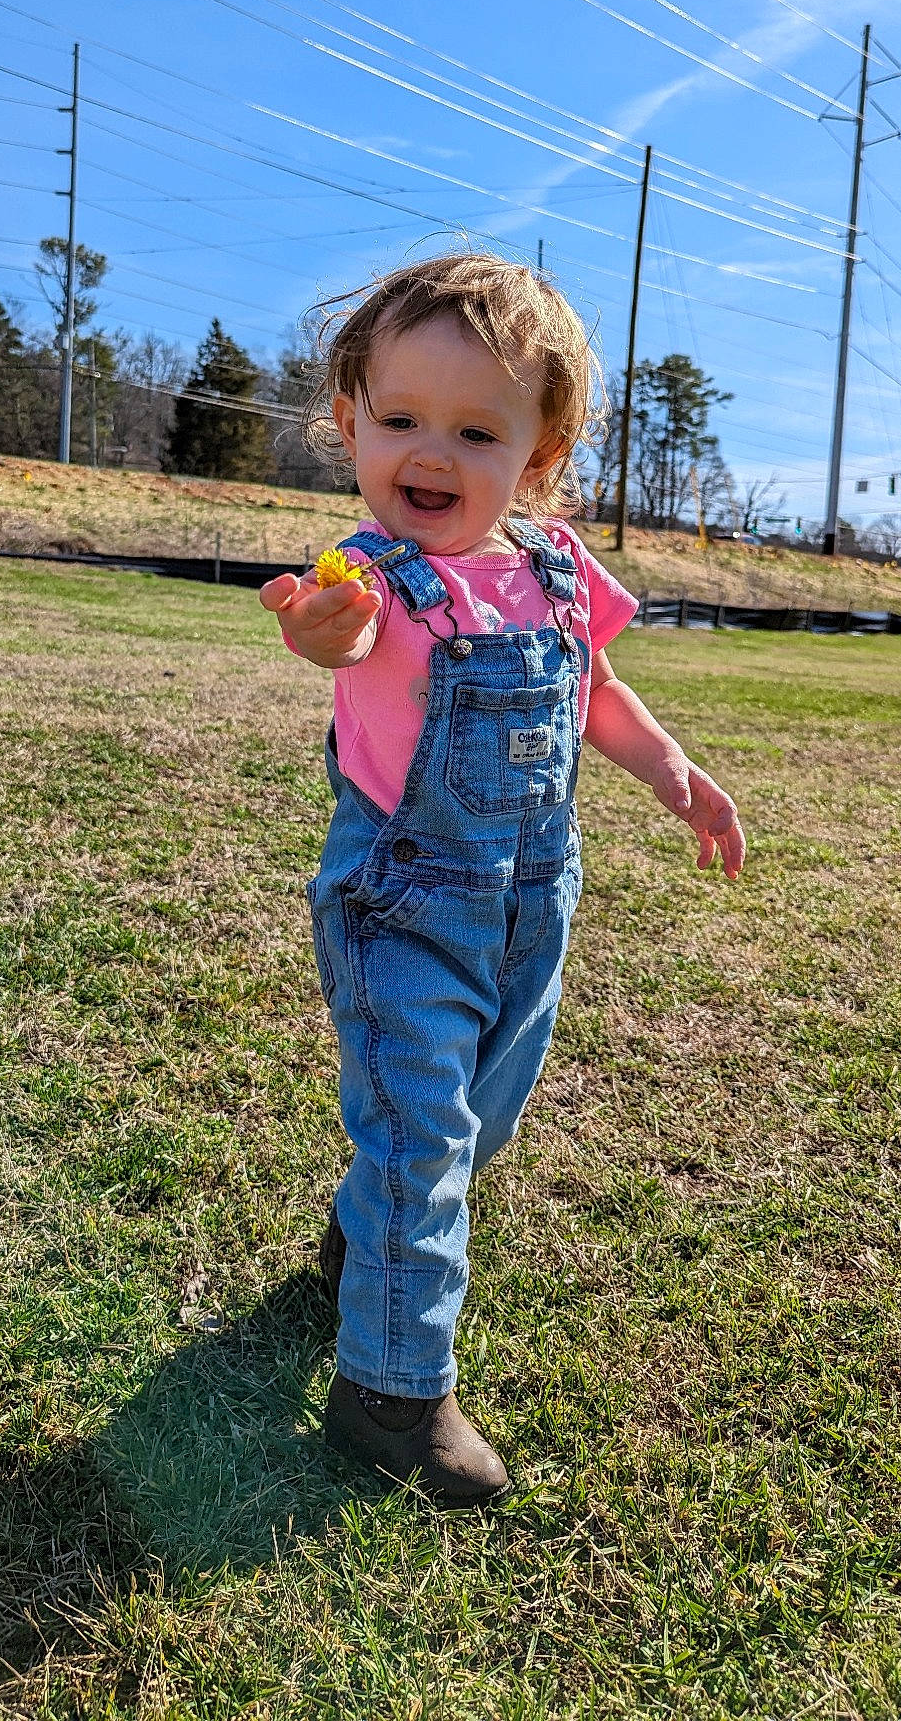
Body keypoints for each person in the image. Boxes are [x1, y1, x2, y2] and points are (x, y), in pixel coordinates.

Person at [260, 253, 746, 1506]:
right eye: (400, 417)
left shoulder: (558, 568)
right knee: (426, 1131)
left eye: (477, 429)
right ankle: (392, 1388)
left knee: (474, 1124)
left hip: (535, 902)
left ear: (539, 453)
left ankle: (363, 1245)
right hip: (403, 903)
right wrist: (318, 627)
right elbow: (345, 631)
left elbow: (595, 692)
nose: (432, 451)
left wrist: (673, 768)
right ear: (349, 421)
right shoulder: (367, 574)